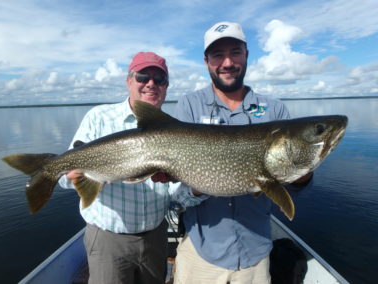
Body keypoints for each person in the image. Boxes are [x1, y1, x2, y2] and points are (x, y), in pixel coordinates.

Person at [172, 21, 313, 284]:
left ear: (247, 55)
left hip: (255, 252)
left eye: (235, 52)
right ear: (206, 61)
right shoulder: (189, 105)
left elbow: (290, 187)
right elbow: (178, 196)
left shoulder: (274, 110)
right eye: (218, 55)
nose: (227, 62)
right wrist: (203, 184)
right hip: (202, 252)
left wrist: (302, 175)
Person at [59, 52, 174, 284]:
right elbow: (62, 178)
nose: (151, 84)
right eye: (143, 77)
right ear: (129, 81)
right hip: (108, 241)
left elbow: (175, 191)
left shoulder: (174, 129)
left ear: (166, 86)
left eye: (159, 79)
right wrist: (75, 175)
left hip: (156, 237)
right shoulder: (98, 117)